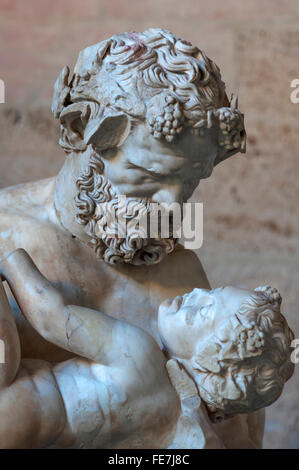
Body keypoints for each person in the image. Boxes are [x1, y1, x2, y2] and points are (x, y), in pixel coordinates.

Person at [0, 249, 293, 448]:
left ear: (211, 360)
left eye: (203, 312)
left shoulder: (139, 354)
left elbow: (52, 318)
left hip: (13, 395)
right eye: (211, 292)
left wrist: (12, 260)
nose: (196, 293)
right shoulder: (173, 426)